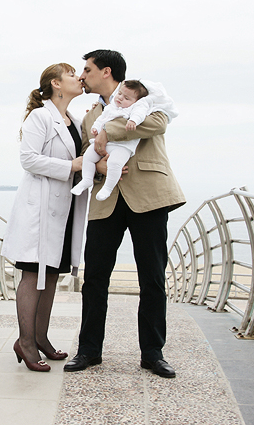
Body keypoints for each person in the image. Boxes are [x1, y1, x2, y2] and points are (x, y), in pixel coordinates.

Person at [63, 50, 185, 378]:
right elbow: (89, 150)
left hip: (149, 196)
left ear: (106, 71)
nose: (82, 75)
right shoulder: (91, 114)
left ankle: (153, 353)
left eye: (86, 70)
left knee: (153, 278)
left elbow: (158, 122)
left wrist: (108, 132)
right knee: (95, 278)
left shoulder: (144, 95)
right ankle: (89, 349)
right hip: (105, 200)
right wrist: (100, 161)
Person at [0, 63, 88, 372]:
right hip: (39, 209)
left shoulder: (74, 121)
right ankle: (25, 342)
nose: (79, 77)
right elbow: (28, 159)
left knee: (51, 275)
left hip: (63, 211)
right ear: (56, 83)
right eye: (72, 73)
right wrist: (72, 167)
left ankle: (40, 337)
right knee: (33, 275)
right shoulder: (41, 116)